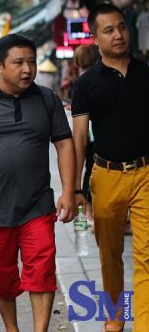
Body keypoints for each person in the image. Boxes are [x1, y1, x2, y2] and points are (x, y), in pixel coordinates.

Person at [0, 34, 77, 332]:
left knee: (42, 269)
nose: (27, 69)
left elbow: (65, 145)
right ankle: (11, 328)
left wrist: (69, 191)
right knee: (1, 277)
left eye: (31, 61)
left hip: (37, 205)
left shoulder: (47, 99)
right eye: (18, 62)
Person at [71, 3, 149, 332]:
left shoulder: (146, 73)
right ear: (95, 37)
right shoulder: (86, 85)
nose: (118, 35)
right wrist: (75, 188)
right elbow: (77, 140)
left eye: (122, 27)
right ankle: (115, 318)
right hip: (105, 176)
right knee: (110, 255)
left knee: (146, 255)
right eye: (109, 30)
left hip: (146, 173)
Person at [72, 45, 100, 226]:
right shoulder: (96, 79)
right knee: (92, 168)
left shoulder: (81, 81)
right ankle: (91, 210)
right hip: (96, 135)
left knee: (89, 169)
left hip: (88, 135)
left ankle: (89, 210)